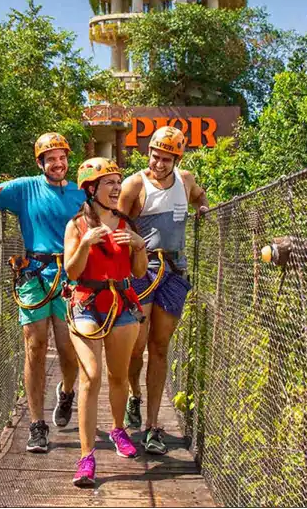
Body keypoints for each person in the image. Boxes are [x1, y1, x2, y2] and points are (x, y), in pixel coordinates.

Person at [0, 133, 84, 453]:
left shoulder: (80, 194)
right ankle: (37, 424)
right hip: (34, 273)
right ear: (41, 163)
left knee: (68, 349)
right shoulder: (26, 187)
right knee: (35, 347)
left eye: (62, 157)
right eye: (50, 158)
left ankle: (66, 392)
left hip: (70, 276)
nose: (58, 163)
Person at [117, 125, 208, 455]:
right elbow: (117, 222)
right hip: (142, 270)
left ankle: (154, 426)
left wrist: (202, 206)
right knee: (135, 346)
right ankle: (134, 396)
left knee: (159, 346)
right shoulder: (134, 184)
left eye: (166, 159)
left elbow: (199, 194)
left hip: (173, 272)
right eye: (155, 156)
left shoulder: (185, 180)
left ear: (176, 159)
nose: (158, 163)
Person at [63, 157, 148, 488]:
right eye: (109, 182)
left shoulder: (127, 226)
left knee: (117, 376)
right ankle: (86, 457)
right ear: (91, 189)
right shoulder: (76, 226)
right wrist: (85, 244)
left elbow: (139, 272)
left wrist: (140, 247)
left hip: (122, 304)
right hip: (86, 303)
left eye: (118, 181)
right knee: (91, 376)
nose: (117, 187)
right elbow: (71, 272)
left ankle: (117, 429)